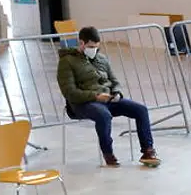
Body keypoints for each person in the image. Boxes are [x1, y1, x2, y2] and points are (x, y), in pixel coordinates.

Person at [57, 26, 162, 168]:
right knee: (103, 115)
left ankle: (148, 151)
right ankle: (108, 154)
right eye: (90, 47)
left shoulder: (101, 59)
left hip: (108, 99)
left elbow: (114, 81)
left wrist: (117, 92)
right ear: (81, 43)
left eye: (96, 47)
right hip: (83, 103)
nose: (94, 50)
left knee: (141, 110)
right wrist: (96, 96)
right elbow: (70, 92)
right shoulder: (67, 62)